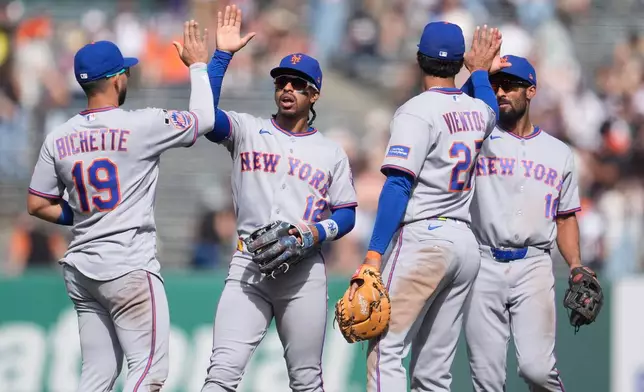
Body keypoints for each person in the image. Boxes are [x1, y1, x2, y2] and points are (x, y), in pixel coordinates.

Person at [26, 21, 215, 391]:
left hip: (82, 269)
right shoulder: (141, 124)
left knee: (96, 376)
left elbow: (37, 203)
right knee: (148, 372)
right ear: (115, 79)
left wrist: (82, 215)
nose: (128, 76)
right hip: (128, 265)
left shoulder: (59, 137)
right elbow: (204, 120)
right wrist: (197, 66)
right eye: (125, 71)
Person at [201, 5, 357, 391]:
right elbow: (205, 118)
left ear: (314, 94)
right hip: (248, 264)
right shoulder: (247, 129)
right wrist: (222, 56)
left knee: (306, 382)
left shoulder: (330, 151)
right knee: (221, 374)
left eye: (298, 83)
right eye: (282, 81)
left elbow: (348, 214)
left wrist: (313, 234)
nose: (287, 88)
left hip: (303, 273)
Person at [347, 23, 502, 392]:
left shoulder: (414, 112)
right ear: (460, 61)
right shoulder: (478, 110)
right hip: (464, 244)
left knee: (385, 350)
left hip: (424, 239)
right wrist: (479, 72)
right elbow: (488, 107)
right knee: (433, 372)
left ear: (419, 59)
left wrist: (373, 254)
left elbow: (399, 184)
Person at [463, 55, 592, 392]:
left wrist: (576, 265)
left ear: (531, 91)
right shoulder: (479, 139)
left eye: (510, 85)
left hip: (534, 264)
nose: (501, 92)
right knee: (486, 379)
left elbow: (565, 217)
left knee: (538, 370)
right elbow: (457, 107)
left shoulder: (558, 152)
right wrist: (476, 71)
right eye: (495, 86)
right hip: (482, 262)